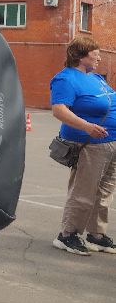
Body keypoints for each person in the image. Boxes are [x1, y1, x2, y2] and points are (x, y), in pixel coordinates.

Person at [49, 35, 116, 255]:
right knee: (83, 191)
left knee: (104, 190)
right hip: (90, 144)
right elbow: (59, 109)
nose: (99, 58)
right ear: (79, 56)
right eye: (94, 54)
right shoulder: (66, 79)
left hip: (111, 141)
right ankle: (68, 235)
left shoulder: (96, 78)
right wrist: (87, 126)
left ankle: (96, 235)